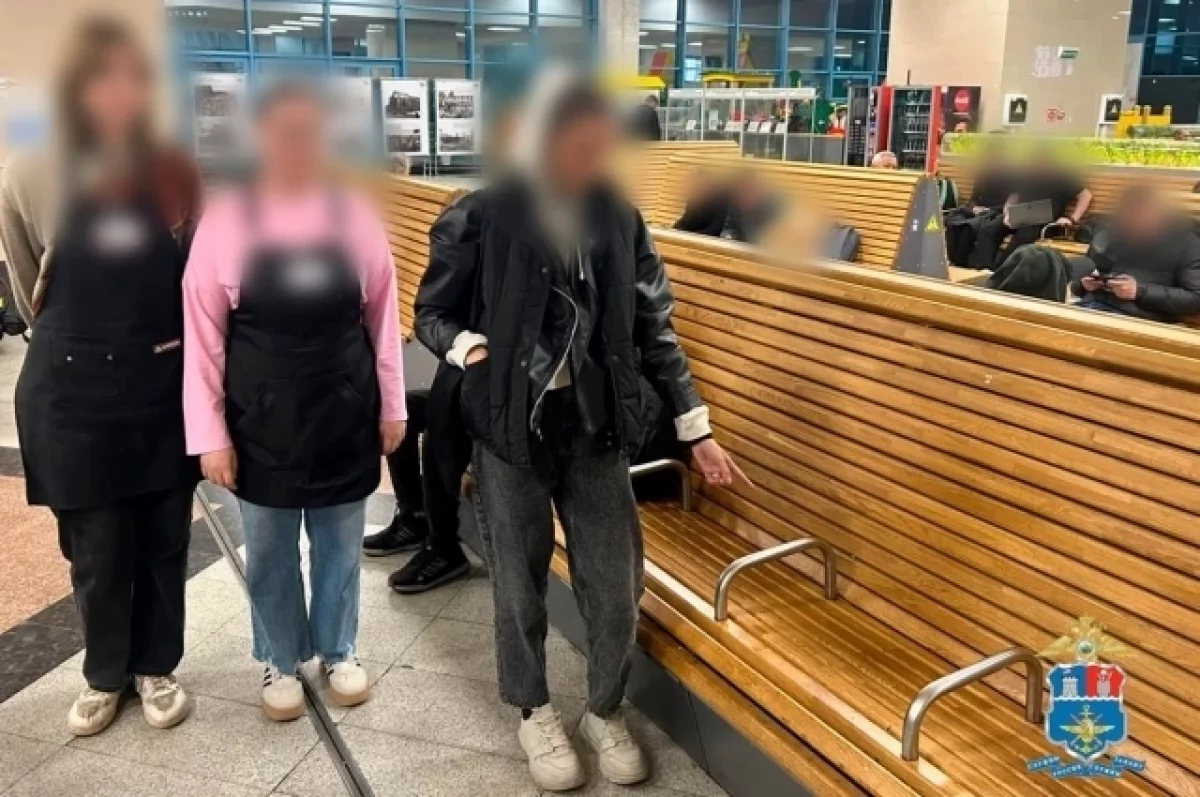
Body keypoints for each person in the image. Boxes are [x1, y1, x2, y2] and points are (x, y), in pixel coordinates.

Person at [414, 70, 748, 793]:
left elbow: (656, 330)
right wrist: (468, 347)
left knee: (616, 582)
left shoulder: (620, 220)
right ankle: (533, 709)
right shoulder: (481, 215)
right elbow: (432, 313)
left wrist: (696, 429)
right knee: (518, 583)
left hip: (596, 427)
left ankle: (604, 708)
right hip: (509, 428)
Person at [0, 16, 200, 737]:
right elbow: (27, 284)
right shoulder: (27, 170)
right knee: (97, 546)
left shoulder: (174, 169)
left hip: (161, 383)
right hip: (73, 388)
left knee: (164, 539)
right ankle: (104, 672)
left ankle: (156, 665)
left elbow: (194, 276)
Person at [182, 81, 406, 721]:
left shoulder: (354, 216)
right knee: (270, 551)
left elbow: (383, 320)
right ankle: (279, 658)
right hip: (260, 423)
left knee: (339, 546)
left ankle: (339, 650)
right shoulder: (226, 221)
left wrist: (392, 406)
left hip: (344, 413)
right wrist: (211, 435)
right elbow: (203, 340)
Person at [1073, 185, 1200, 322]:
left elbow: (1196, 298)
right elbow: (1081, 280)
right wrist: (1084, 285)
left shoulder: (1186, 242)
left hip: (1136, 318)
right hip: (1090, 306)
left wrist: (1139, 291)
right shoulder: (1110, 235)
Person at [970, 149, 1092, 270]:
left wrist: (1071, 219)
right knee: (989, 229)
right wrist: (1007, 212)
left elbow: (1086, 195)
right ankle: (983, 269)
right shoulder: (1026, 174)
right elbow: (1014, 196)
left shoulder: (1063, 176)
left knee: (1024, 234)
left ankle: (1000, 271)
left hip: (1045, 219)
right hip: (1020, 213)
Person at [721, 168, 783, 244]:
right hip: (741, 247)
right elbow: (729, 227)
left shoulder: (772, 207)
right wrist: (728, 236)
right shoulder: (737, 203)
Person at [672, 167, 732, 238]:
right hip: (692, 236)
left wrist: (691, 236)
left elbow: (716, 228)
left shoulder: (722, 200)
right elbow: (685, 220)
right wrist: (674, 230)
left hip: (709, 239)